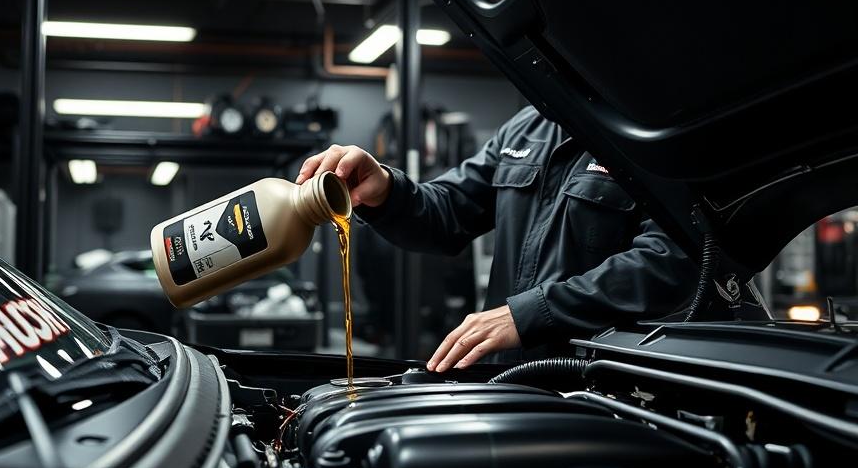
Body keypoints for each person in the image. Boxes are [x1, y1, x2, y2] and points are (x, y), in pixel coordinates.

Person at [296, 105, 698, 372]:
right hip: (506, 375)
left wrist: (533, 313)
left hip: (603, 384)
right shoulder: (526, 128)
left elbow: (670, 260)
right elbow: (448, 211)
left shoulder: (657, 133)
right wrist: (386, 188)